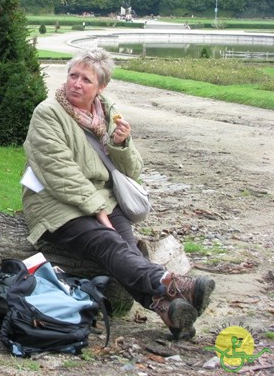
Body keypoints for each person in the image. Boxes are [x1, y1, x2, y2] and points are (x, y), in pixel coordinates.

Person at [21, 48, 215, 340]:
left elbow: (133, 170)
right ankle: (173, 284)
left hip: (105, 199)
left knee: (127, 252)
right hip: (55, 203)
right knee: (109, 242)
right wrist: (97, 208)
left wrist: (120, 144)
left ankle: (168, 310)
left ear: (101, 87)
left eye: (86, 79)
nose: (76, 83)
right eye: (73, 75)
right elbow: (57, 170)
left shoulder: (107, 112)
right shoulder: (47, 113)